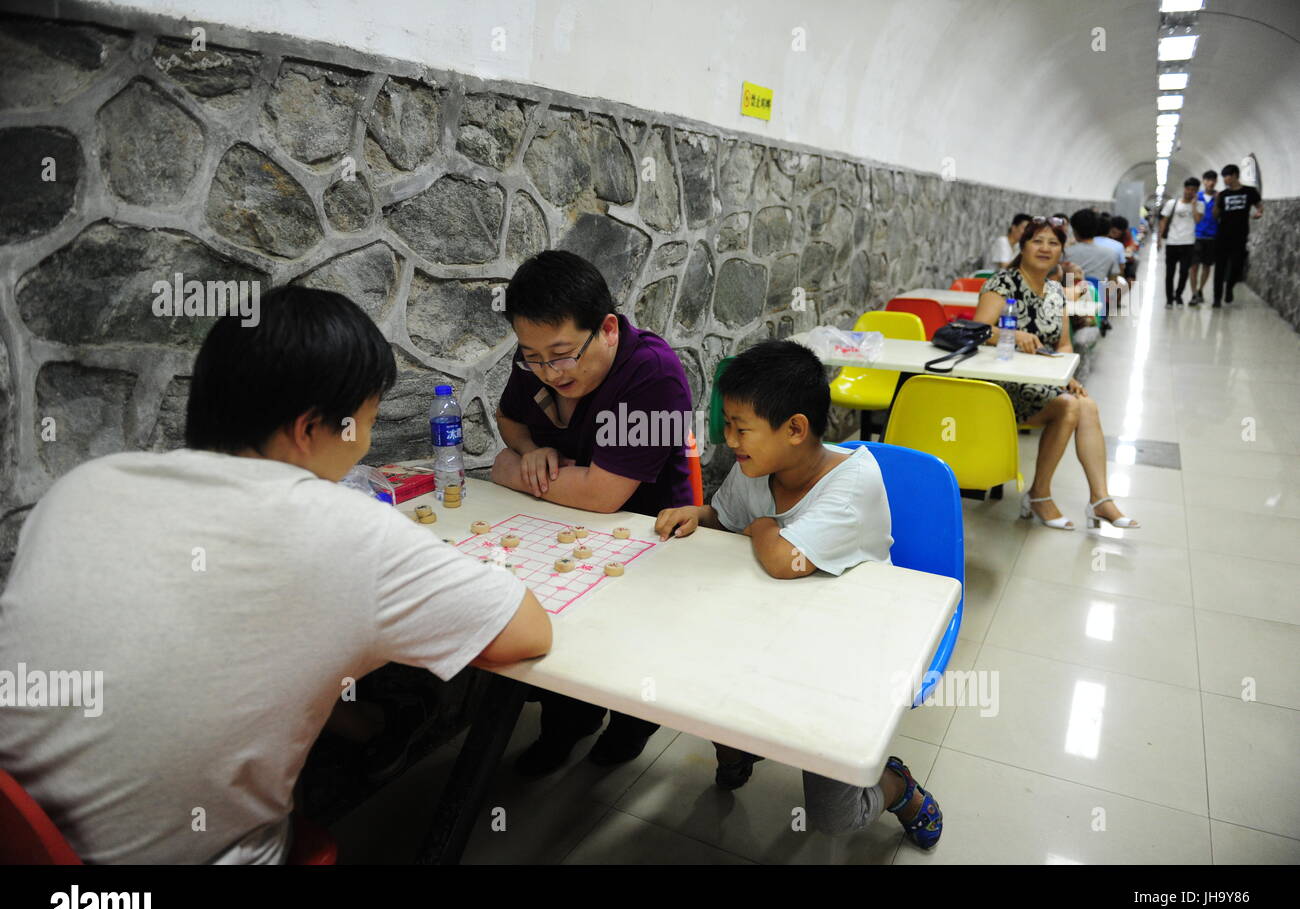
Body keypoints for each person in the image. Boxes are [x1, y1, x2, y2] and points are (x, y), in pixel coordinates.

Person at [0, 286, 552, 864]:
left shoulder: (85, 487)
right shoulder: (346, 530)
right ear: (309, 429)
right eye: (365, 422)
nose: (363, 442)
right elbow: (527, 631)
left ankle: (368, 726)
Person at [653, 341, 943, 849]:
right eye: (728, 424)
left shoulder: (852, 482)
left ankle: (896, 784)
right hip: (768, 624)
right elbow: (727, 520)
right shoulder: (756, 468)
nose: (729, 439)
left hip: (849, 652)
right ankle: (740, 747)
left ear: (794, 429)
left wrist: (764, 525)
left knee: (834, 819)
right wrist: (696, 514)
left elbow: (784, 561)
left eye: (741, 428)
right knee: (706, 677)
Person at [491, 249, 695, 775]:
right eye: (533, 357)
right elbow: (509, 419)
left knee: (625, 650)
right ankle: (568, 725)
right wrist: (528, 450)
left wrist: (511, 470)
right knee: (560, 631)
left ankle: (633, 725)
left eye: (561, 356)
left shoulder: (652, 374)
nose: (550, 372)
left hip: (650, 533)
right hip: (565, 521)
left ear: (607, 329)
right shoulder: (538, 357)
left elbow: (606, 495)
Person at [973, 217, 1139, 531]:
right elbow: (979, 330)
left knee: (1084, 403)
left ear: (1062, 250)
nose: (1045, 248)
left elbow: (1063, 344)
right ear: (1022, 247)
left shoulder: (1055, 291)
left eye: (1053, 243)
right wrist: (1012, 336)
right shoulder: (1002, 283)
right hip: (998, 385)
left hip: (1039, 385)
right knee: (1069, 405)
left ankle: (1100, 499)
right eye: (1037, 241)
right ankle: (1039, 495)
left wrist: (1066, 376)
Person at [1211, 163, 1264, 307]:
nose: (1225, 180)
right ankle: (1217, 298)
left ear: (1235, 175)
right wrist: (1216, 203)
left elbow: (1259, 206)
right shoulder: (1222, 194)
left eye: (1226, 177)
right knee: (1219, 268)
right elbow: (1215, 216)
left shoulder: (1250, 191)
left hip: (1240, 235)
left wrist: (1258, 213)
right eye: (1223, 178)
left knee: (1237, 266)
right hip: (1222, 235)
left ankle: (1229, 288)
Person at [1159, 177, 1204, 307]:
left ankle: (1178, 295)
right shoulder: (1172, 203)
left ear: (1197, 191)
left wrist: (1194, 206)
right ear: (1184, 189)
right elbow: (1164, 220)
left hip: (1188, 243)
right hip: (1172, 242)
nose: (1190, 192)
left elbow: (1197, 220)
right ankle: (1169, 299)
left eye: (1194, 190)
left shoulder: (1200, 205)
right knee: (1170, 273)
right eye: (1189, 189)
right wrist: (1159, 239)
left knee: (1184, 272)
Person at [1188, 169, 1219, 305]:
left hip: (1212, 236)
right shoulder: (1197, 196)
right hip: (1196, 236)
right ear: (1203, 181)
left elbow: (1217, 216)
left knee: (1207, 266)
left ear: (1216, 181)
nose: (1210, 183)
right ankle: (1194, 293)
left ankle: (1201, 290)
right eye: (1207, 180)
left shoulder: (1218, 197)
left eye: (1213, 180)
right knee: (1193, 266)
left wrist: (1218, 202)